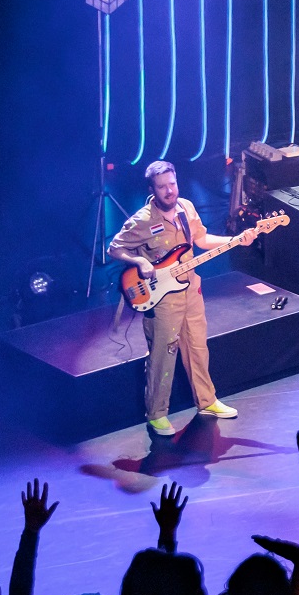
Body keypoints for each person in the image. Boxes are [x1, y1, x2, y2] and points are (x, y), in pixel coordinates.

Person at [108, 161, 247, 436]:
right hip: (162, 298)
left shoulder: (186, 208)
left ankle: (207, 401)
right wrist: (139, 261)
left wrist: (236, 239)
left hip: (191, 289)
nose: (170, 191)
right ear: (152, 189)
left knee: (198, 347)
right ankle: (157, 414)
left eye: (172, 184)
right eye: (162, 187)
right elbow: (115, 248)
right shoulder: (142, 220)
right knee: (163, 355)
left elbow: (202, 239)